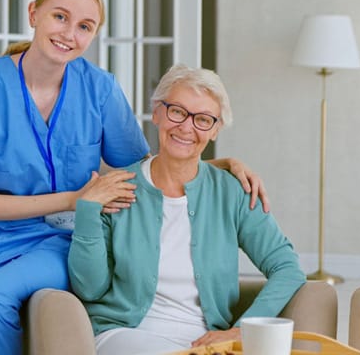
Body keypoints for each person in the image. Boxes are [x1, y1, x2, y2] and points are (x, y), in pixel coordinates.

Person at [0, 0, 268, 355]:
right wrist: (76, 198)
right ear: (34, 13)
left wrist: (219, 164)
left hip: (63, 241)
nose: (69, 33)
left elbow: (144, 168)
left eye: (85, 26)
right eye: (60, 16)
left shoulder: (100, 88)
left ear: (93, 35)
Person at [68, 64, 306, 355]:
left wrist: (240, 331)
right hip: (125, 334)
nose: (186, 127)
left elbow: (287, 268)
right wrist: (88, 212)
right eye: (177, 111)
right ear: (157, 112)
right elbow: (89, 289)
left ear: (216, 130)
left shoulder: (232, 193)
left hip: (205, 343)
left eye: (203, 119)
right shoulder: (116, 189)